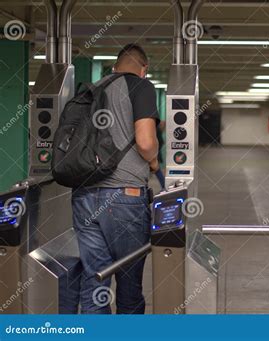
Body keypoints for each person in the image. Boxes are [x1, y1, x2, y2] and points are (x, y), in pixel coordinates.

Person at [71, 44, 159, 314]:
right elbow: (145, 142)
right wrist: (154, 161)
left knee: (94, 281)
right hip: (124, 196)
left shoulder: (90, 89)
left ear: (114, 67)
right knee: (129, 285)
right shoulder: (141, 87)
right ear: (144, 70)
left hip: (84, 195)